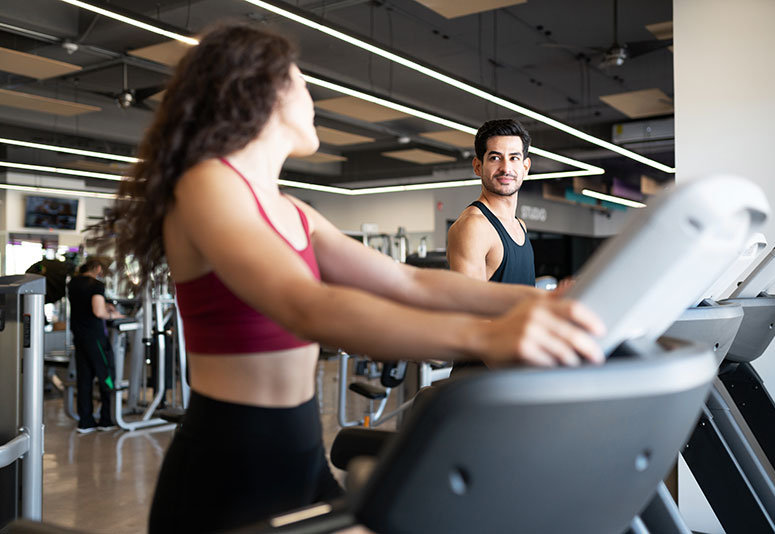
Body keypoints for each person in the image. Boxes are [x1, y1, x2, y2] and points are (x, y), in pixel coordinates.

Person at [108, 22, 605, 534]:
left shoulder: (292, 210)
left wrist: (538, 302)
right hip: (230, 462)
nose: (313, 101)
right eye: (303, 85)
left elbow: (407, 282)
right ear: (259, 89)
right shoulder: (208, 184)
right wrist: (485, 334)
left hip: (300, 446)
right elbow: (307, 306)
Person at [447, 119, 536, 285]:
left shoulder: (520, 226)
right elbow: (469, 305)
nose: (506, 168)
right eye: (495, 158)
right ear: (478, 166)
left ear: (525, 167)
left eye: (514, 158)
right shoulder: (473, 226)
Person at [67, 256, 124, 433]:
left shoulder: (73, 283)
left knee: (85, 379)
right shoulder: (96, 285)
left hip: (79, 336)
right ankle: (106, 420)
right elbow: (98, 311)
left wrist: (106, 305)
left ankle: (86, 422)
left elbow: (85, 305)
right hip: (96, 338)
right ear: (98, 268)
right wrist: (115, 316)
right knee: (106, 375)